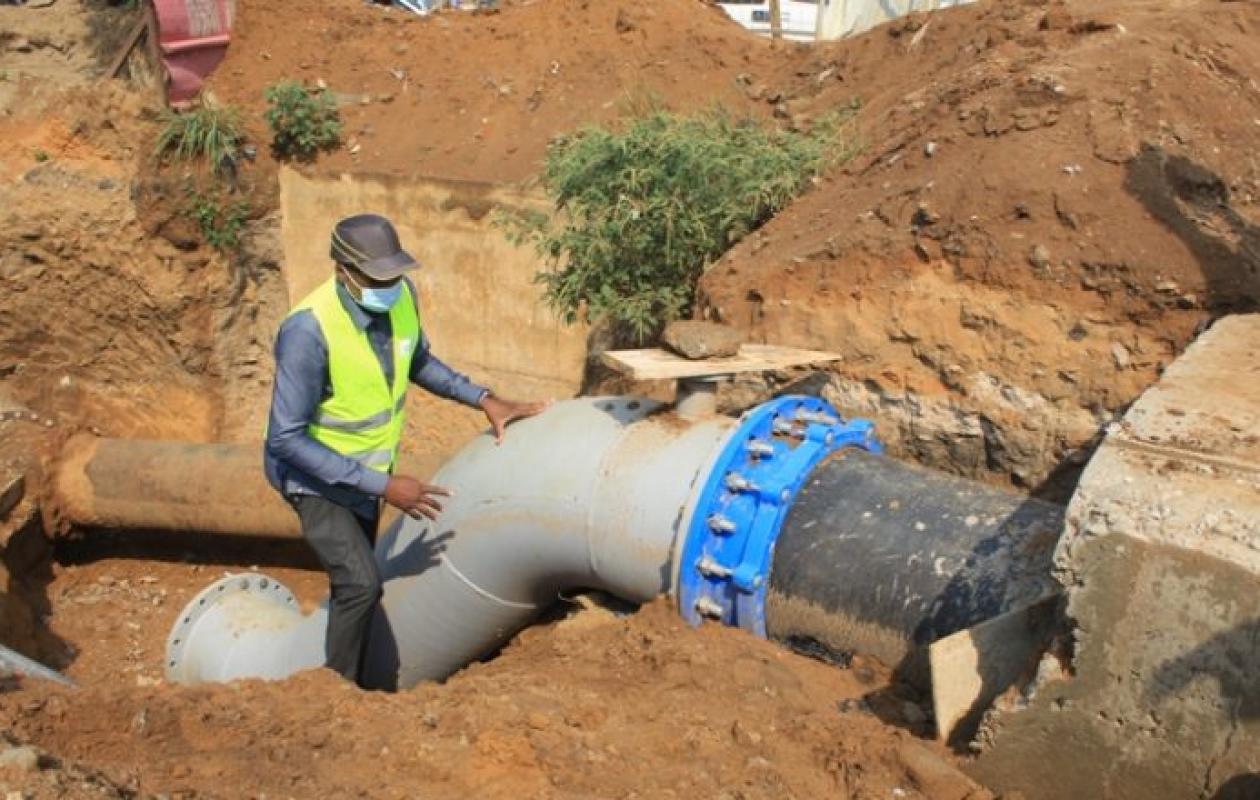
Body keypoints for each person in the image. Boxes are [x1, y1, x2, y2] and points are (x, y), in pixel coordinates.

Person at [264, 213, 545, 687]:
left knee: (355, 584)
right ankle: (333, 694)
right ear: (343, 272)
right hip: (313, 479)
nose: (389, 286)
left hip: (366, 475)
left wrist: (482, 398)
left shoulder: (400, 298)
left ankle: (352, 676)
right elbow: (285, 438)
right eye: (378, 278)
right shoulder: (308, 332)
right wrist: (384, 486)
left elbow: (417, 360)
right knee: (361, 584)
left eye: (394, 275)